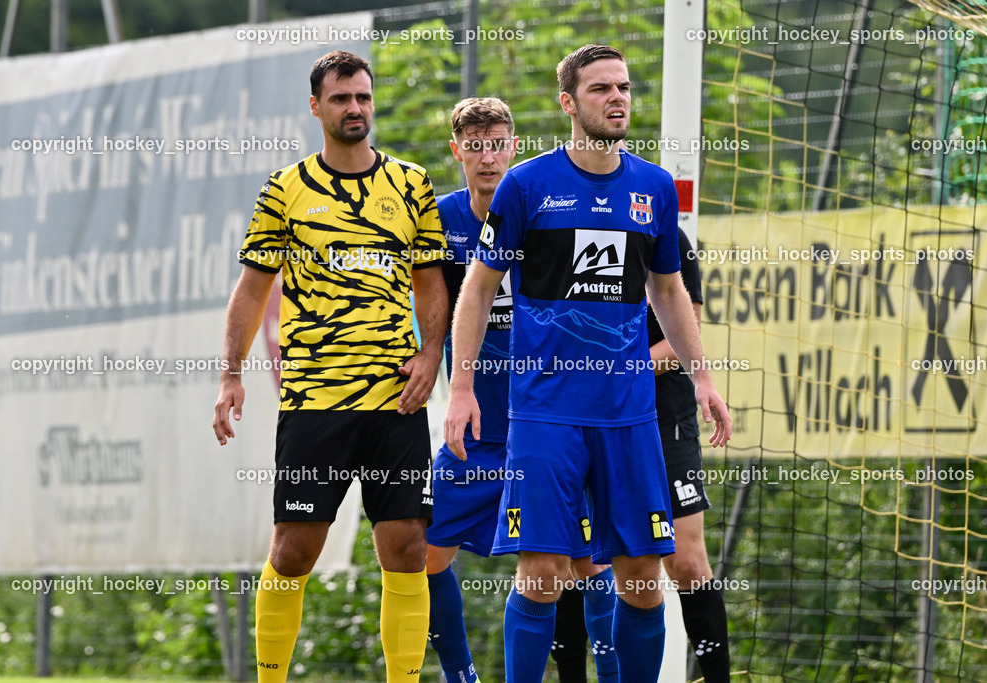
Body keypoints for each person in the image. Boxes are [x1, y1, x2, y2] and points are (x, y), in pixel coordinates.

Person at [443, 44, 732, 683]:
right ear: (570, 103)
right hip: (545, 415)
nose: (618, 98)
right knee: (542, 575)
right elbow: (479, 287)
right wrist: (462, 387)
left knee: (642, 581)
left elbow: (669, 290)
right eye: (601, 89)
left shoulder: (653, 188)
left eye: (624, 87)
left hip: (628, 419)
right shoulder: (527, 186)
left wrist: (702, 376)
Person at [211, 50, 448, 683]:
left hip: (395, 400)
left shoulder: (412, 183)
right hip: (315, 399)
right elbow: (252, 289)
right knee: (293, 551)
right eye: (341, 99)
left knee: (408, 549)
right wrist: (231, 373)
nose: (355, 109)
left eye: (364, 97)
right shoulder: (285, 189)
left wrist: (430, 355)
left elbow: (431, 283)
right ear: (315, 106)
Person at [427, 97, 620, 683]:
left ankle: (611, 675)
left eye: (498, 144)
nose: (488, 158)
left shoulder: (551, 207)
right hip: (479, 429)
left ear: (515, 145)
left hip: (550, 426)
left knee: (584, 565)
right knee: (419, 548)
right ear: (457, 150)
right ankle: (461, 674)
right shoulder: (437, 220)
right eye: (475, 145)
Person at [551, 230, 731, 683]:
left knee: (686, 560)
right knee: (574, 563)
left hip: (661, 416)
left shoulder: (662, 228)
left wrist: (616, 369)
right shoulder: (558, 220)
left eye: (615, 150)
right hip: (580, 416)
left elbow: (682, 340)